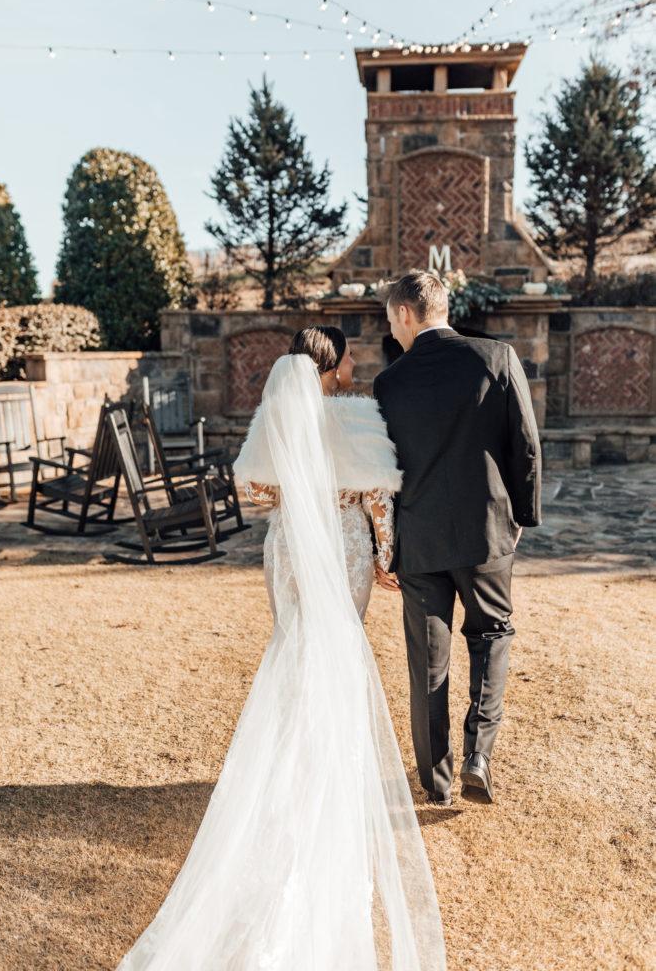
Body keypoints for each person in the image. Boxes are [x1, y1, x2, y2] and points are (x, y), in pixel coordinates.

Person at [116, 326, 446, 971]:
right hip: (344, 541)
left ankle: (292, 743)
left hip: (290, 544)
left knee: (295, 644)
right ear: (331, 364)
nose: (356, 364)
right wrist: (383, 554)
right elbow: (378, 494)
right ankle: (325, 755)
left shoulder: (279, 415)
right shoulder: (357, 415)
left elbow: (257, 493)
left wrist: (302, 492)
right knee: (338, 645)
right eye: (349, 355)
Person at [373, 270, 542, 808]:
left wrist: (388, 542)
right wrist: (522, 516)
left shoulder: (389, 383)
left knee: (427, 659)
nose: (391, 331)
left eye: (390, 319)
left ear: (404, 313)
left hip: (419, 540)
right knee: (491, 635)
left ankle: (436, 780)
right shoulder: (496, 358)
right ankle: (479, 755)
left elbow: (385, 469)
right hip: (486, 531)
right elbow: (527, 446)